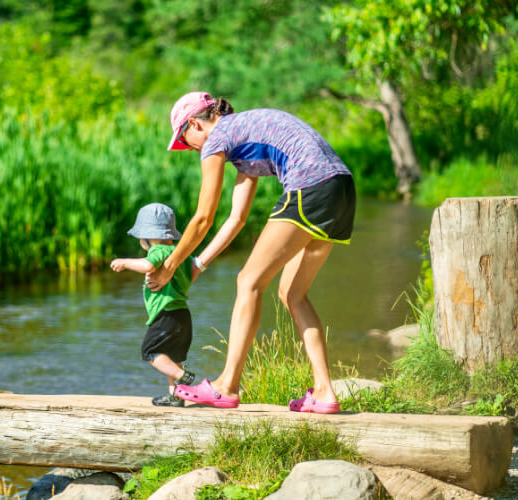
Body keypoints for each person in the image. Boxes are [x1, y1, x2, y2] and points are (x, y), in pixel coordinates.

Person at [145, 92, 356, 413]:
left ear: (193, 125)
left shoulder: (218, 140)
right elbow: (236, 219)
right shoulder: (243, 138)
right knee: (292, 293)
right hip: (341, 189)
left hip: (310, 185)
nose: (190, 149)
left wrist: (170, 265)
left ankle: (226, 385)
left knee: (248, 282)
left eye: (185, 141)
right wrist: (197, 263)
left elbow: (203, 218)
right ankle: (326, 391)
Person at [110, 202, 196, 407]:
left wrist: (125, 263)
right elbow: (193, 272)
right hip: (182, 314)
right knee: (173, 355)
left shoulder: (159, 250)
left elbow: (148, 265)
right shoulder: (181, 255)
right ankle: (176, 396)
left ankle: (183, 377)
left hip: (165, 314)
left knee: (150, 352)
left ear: (148, 237)